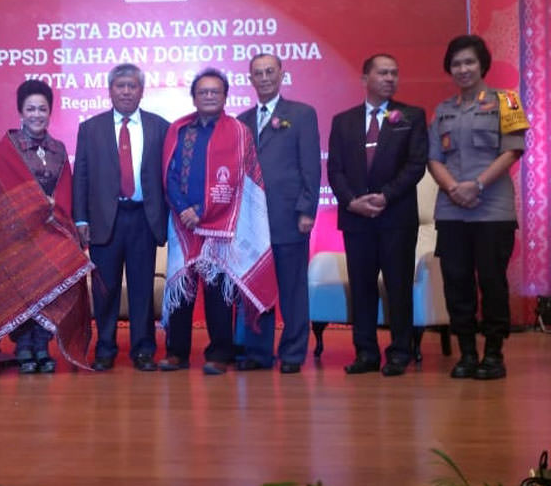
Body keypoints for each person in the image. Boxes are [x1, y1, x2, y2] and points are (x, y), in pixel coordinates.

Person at [0, 80, 93, 374]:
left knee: (46, 290)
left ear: (50, 112)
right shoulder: (8, 147)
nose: (36, 115)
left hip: (50, 231)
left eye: (42, 109)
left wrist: (56, 209)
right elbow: (0, 189)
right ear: (21, 112)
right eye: (30, 109)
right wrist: (32, 204)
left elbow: (66, 190)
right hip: (16, 234)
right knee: (22, 289)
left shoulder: (58, 149)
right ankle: (23, 348)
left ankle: (42, 346)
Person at [158, 68, 277, 375]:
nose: (209, 96)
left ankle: (219, 354)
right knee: (182, 290)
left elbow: (238, 179)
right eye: (203, 92)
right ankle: (177, 353)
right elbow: (169, 174)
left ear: (225, 96)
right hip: (184, 225)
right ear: (193, 97)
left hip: (222, 227)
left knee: (218, 294)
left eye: (215, 91)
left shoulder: (239, 132)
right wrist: (184, 209)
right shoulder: (179, 130)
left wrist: (203, 211)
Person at [427, 34, 528, 380]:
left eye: (469, 61)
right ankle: (467, 353)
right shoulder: (442, 110)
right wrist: (454, 188)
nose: (463, 69)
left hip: (492, 210)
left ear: (482, 65)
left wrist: (477, 185)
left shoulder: (509, 102)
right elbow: (433, 159)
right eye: (456, 64)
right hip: (451, 210)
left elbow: (512, 151)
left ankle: (494, 354)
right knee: (456, 283)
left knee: (492, 281)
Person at [326, 54, 427, 376]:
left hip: (396, 216)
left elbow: (416, 164)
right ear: (364, 79)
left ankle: (400, 352)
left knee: (398, 286)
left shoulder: (411, 116)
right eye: (383, 73)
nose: (390, 78)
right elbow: (335, 169)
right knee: (362, 288)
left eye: (394, 73)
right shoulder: (343, 121)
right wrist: (352, 201)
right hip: (357, 219)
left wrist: (385, 196)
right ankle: (366, 352)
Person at [73, 63, 169, 372]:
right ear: (110, 90)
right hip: (105, 220)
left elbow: (167, 176)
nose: (126, 91)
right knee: (105, 289)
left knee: (142, 288)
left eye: (132, 86)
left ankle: (143, 350)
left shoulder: (160, 127)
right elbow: (81, 177)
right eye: (120, 86)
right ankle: (105, 349)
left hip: (143, 218)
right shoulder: (90, 128)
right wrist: (81, 220)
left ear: (141, 91)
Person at [236, 53, 321, 374]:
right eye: (258, 73)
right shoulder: (241, 120)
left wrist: (307, 210)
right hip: (250, 223)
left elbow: (310, 166)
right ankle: (258, 353)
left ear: (282, 74)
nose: (265, 78)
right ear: (250, 79)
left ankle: (293, 353)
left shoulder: (301, 114)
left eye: (270, 71)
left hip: (289, 217)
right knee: (255, 287)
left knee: (293, 289)